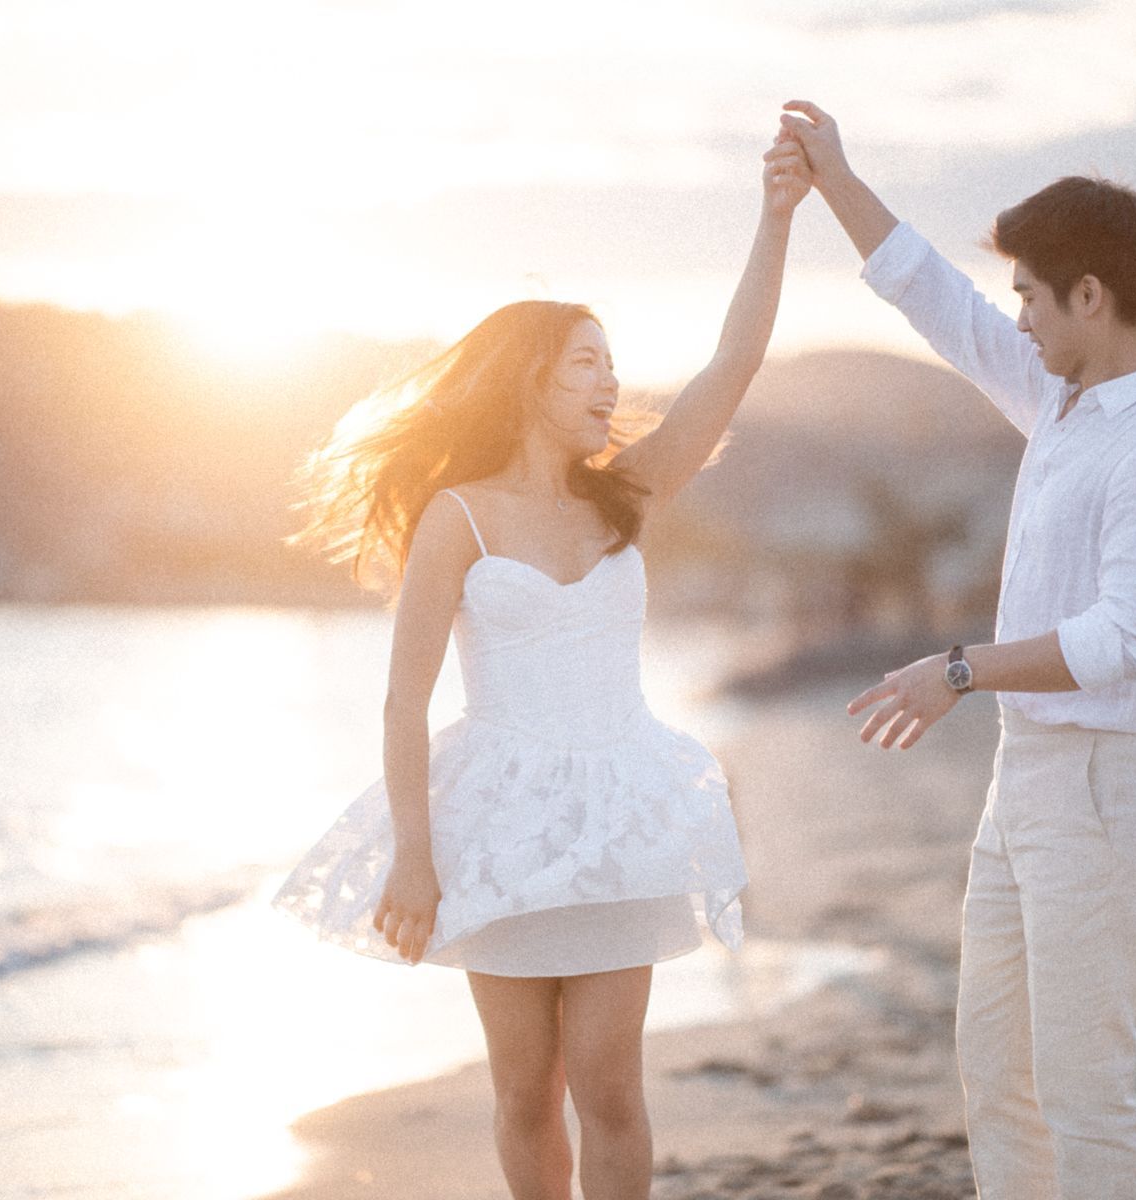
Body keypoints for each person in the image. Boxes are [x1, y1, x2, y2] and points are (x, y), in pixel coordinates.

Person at [273, 138, 812, 1199]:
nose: (611, 380)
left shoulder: (628, 494)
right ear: (530, 378)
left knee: (610, 1090)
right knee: (525, 1092)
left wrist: (778, 214)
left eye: (611, 362)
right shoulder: (457, 516)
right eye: (587, 362)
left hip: (620, 811)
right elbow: (402, 698)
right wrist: (415, 856)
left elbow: (732, 365)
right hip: (502, 824)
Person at [775, 101, 1136, 1198]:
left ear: (1092, 297)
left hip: (1107, 787)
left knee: (1082, 1090)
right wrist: (835, 178)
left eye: (1032, 294)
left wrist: (961, 669)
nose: (1015, 318)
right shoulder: (1064, 404)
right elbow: (939, 300)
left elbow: (1135, 639)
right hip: (1027, 782)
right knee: (996, 1081)